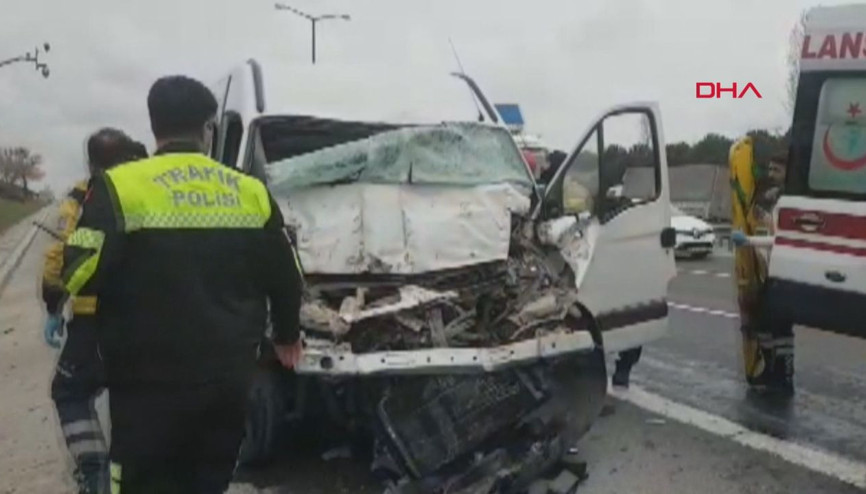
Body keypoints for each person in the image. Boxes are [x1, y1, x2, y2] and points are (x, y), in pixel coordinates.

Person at [61, 75, 304, 493]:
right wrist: (287, 335)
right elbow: (286, 277)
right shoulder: (251, 192)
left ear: (154, 125)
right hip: (227, 380)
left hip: (146, 385)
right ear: (208, 128)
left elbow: (79, 272)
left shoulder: (119, 187)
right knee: (209, 480)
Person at [42, 129, 148, 494]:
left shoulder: (84, 194)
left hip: (95, 320)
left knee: (69, 391)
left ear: (92, 164)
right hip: (152, 317)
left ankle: (95, 472)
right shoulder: (150, 188)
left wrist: (53, 305)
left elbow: (59, 252)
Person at [731, 152, 793, 395]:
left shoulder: (789, 202)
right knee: (764, 323)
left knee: (781, 328)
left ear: (788, 172)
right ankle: (771, 370)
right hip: (770, 270)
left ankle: (784, 377)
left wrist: (748, 240)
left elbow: (779, 239)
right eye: (769, 169)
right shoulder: (774, 199)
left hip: (783, 270)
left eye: (776, 170)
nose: (771, 174)